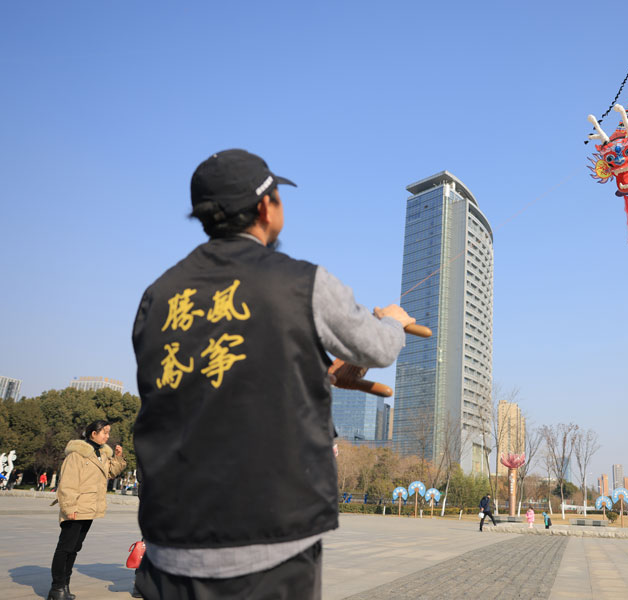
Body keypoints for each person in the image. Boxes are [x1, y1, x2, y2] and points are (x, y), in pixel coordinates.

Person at [131, 149, 413, 600]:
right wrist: (394, 320)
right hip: (270, 538)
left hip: (170, 539)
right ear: (266, 207)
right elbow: (377, 348)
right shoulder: (303, 282)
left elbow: (209, 389)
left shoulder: (157, 295)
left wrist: (319, 376)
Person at [47, 420, 126, 600]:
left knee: (75, 548)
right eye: (105, 432)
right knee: (65, 548)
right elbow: (67, 483)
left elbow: (111, 472)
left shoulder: (102, 454)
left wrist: (119, 457)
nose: (107, 436)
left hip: (89, 508)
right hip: (76, 507)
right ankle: (56, 588)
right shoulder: (77, 454)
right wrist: (69, 508)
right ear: (93, 433)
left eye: (108, 433)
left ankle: (65, 585)